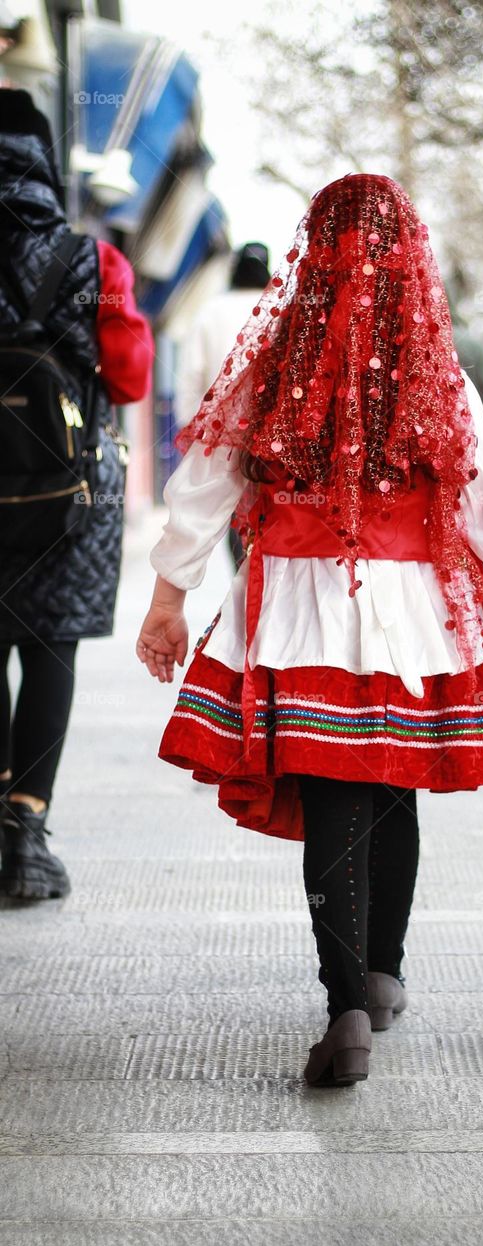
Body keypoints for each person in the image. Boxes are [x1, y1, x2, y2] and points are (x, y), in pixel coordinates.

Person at [137, 173, 483, 1087]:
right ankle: (382, 977)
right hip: (412, 619)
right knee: (392, 788)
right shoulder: (434, 373)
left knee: (333, 799)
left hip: (296, 610)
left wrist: (168, 599)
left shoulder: (272, 361)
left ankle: (343, 1001)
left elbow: (204, 488)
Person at [0, 89, 154, 900]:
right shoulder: (92, 260)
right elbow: (129, 373)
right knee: (47, 642)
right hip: (67, 485)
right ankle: (26, 835)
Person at [175, 242, 271, 568]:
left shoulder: (210, 311)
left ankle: (243, 582)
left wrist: (189, 430)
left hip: (222, 439)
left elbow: (189, 375)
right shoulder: (280, 307)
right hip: (270, 440)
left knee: (233, 518)